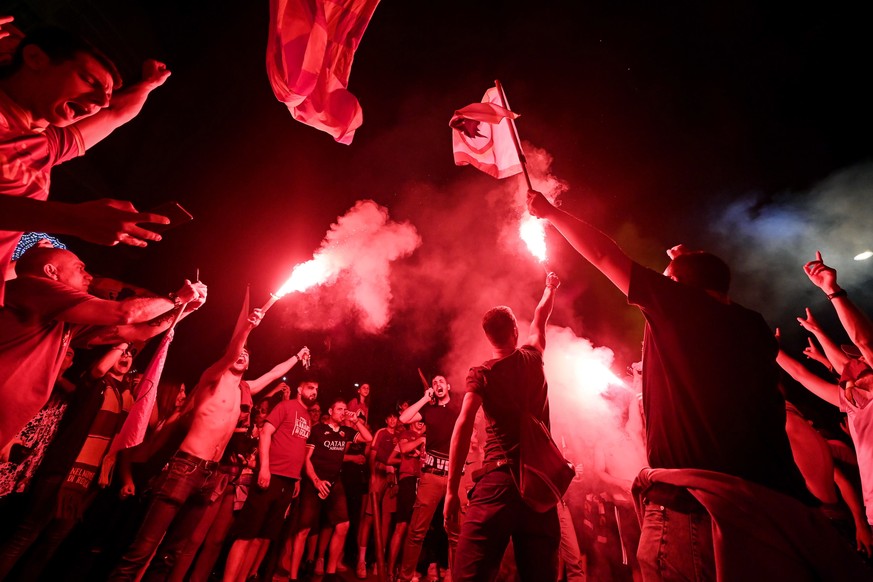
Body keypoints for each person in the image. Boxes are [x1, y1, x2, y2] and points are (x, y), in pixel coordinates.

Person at [527, 190, 868, 578]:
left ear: (680, 286)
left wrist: (551, 212)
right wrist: (686, 267)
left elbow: (605, 256)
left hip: (696, 512)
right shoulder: (751, 325)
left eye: (669, 278)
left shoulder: (679, 305)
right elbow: (710, 290)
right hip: (770, 512)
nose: (663, 280)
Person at [0, 25, 173, 303]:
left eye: (105, 95)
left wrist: (148, 85)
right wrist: (75, 219)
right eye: (91, 81)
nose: (101, 103)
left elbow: (116, 112)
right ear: (34, 58)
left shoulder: (46, 144)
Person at [109, 308, 264, 581]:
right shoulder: (212, 379)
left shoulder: (243, 391)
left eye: (246, 355)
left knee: (172, 553)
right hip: (185, 468)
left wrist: (297, 357)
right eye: (238, 352)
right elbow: (231, 354)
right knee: (143, 549)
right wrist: (248, 329)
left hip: (209, 474)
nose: (240, 356)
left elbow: (271, 374)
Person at [0, 246, 206, 449]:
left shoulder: (64, 318)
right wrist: (176, 298)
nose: (89, 276)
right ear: (51, 271)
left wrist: (184, 309)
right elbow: (125, 314)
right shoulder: (34, 287)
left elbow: (137, 332)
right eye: (79, 268)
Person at [444, 272, 560, 581]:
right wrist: (550, 287)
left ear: (488, 337)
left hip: (499, 482)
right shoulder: (534, 356)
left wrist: (451, 491)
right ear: (515, 330)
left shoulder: (482, 373)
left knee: (468, 575)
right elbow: (540, 316)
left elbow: (463, 426)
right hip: (538, 485)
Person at [223, 377, 318, 582]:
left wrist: (298, 479)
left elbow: (298, 448)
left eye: (317, 389)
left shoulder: (307, 417)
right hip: (271, 475)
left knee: (262, 537)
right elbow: (266, 433)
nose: (314, 392)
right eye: (310, 388)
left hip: (289, 481)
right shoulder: (286, 406)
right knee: (247, 534)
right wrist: (264, 467)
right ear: (299, 389)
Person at [288, 398, 372, 582]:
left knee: (343, 526)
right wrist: (316, 481)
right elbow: (306, 459)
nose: (342, 412)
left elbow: (368, 438)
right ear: (331, 410)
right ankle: (293, 577)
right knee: (304, 530)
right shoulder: (317, 430)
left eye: (344, 409)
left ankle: (331, 573)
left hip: (335, 483)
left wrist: (355, 420)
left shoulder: (346, 431)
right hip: (314, 483)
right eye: (339, 409)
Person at [397, 375, 460, 582]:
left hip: (455, 479)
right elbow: (404, 419)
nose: (437, 385)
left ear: (448, 386)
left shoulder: (459, 407)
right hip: (431, 477)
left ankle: (456, 576)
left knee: (456, 535)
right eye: (434, 383)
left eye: (441, 381)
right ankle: (405, 577)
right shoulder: (429, 410)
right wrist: (425, 399)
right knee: (416, 532)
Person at [355, 411, 400, 578]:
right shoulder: (381, 432)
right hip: (379, 473)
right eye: (390, 417)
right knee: (369, 518)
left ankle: (379, 562)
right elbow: (372, 455)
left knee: (386, 520)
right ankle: (361, 561)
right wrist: (373, 476)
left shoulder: (400, 435)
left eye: (395, 417)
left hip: (391, 476)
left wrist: (395, 479)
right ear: (386, 419)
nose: (393, 420)